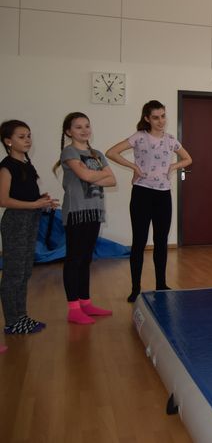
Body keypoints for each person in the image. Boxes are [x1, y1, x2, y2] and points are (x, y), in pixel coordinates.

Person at [106, 101, 192, 302]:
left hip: (163, 195)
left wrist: (173, 167)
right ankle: (135, 288)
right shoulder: (139, 137)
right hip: (142, 194)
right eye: (155, 117)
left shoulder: (170, 140)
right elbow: (111, 152)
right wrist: (134, 167)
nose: (161, 121)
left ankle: (161, 285)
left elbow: (188, 159)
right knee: (139, 241)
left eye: (163, 116)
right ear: (147, 118)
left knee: (161, 242)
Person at [55, 112, 116, 325]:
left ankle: (86, 302)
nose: (84, 130)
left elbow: (112, 180)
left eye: (87, 126)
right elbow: (86, 176)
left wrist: (92, 176)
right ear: (68, 131)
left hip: (94, 211)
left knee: (87, 259)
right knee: (74, 259)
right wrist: (98, 175)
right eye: (78, 127)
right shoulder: (69, 152)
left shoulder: (97, 153)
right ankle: (74, 308)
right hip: (77, 212)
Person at [0, 120, 58, 337]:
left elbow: (25, 194)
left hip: (30, 220)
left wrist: (41, 200)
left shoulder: (26, 164)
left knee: (24, 271)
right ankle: (12, 321)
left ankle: (21, 316)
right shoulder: (6, 166)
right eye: (21, 137)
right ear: (8, 141)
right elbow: (3, 200)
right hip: (16, 222)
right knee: (13, 273)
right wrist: (34, 204)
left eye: (29, 136)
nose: (27, 140)